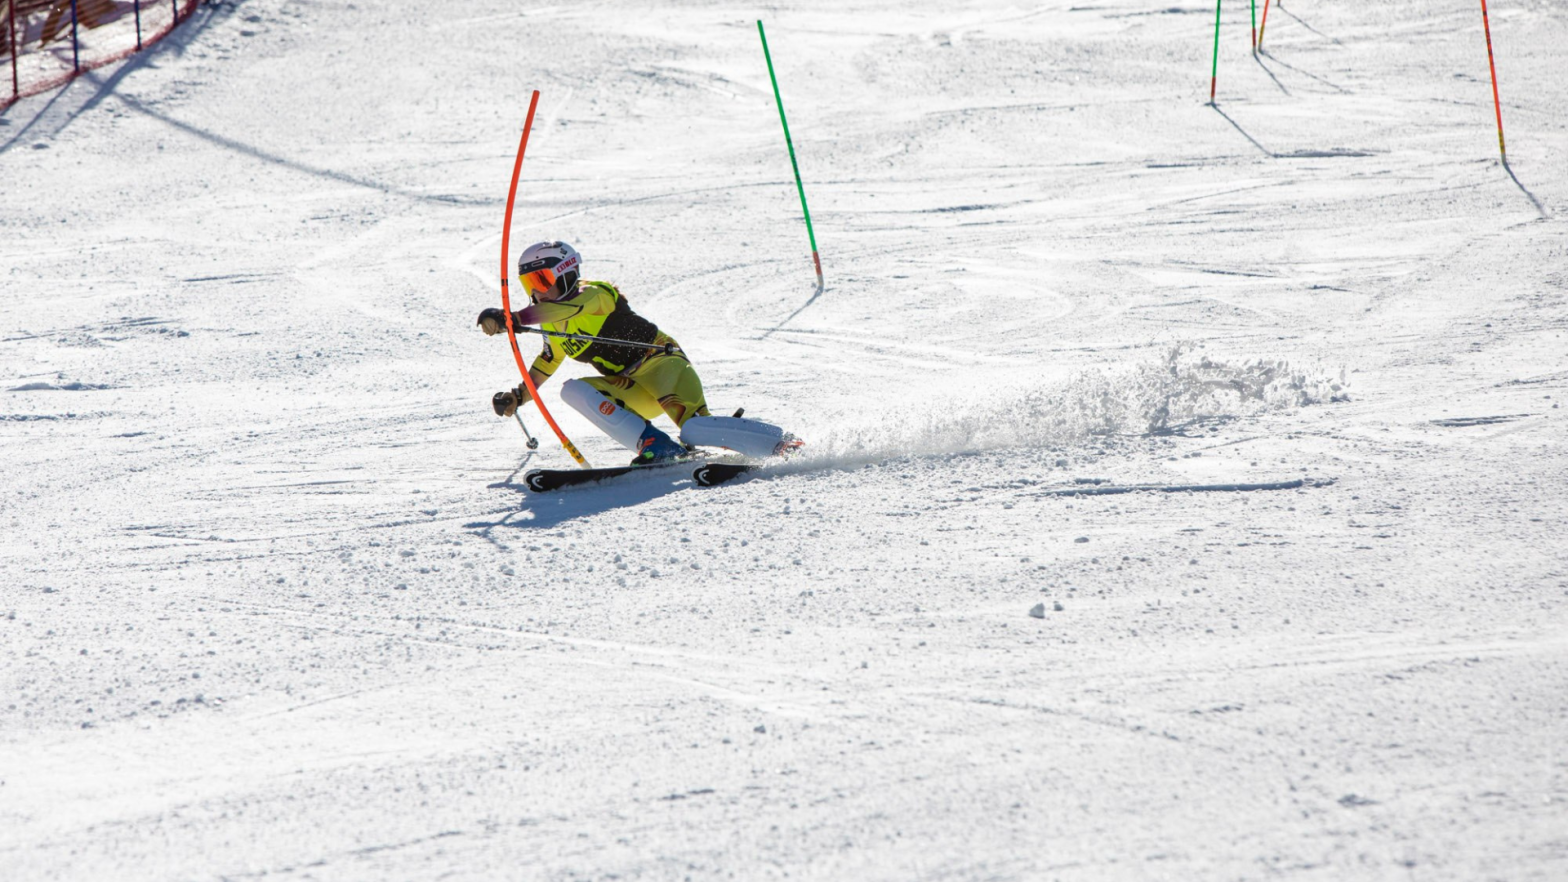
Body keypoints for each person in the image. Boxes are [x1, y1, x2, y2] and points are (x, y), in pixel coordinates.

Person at [478, 241, 796, 464]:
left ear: (566, 273)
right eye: (528, 283)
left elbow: (566, 309)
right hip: (631, 387)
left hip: (663, 367)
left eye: (542, 279)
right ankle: (656, 446)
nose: (535, 291)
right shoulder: (553, 328)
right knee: (572, 390)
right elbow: (545, 366)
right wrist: (519, 396)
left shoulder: (594, 294)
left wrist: (515, 319)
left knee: (695, 430)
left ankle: (782, 443)